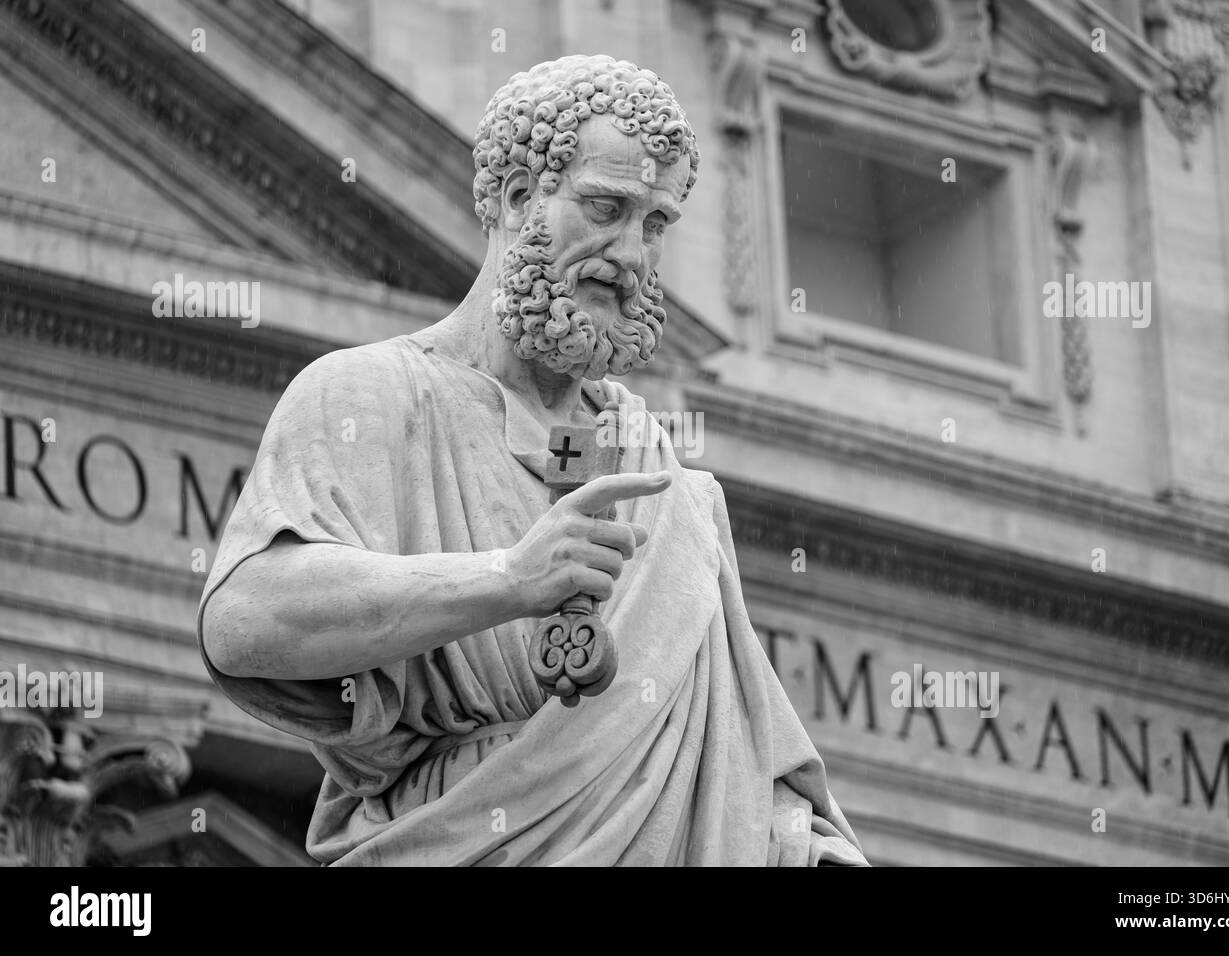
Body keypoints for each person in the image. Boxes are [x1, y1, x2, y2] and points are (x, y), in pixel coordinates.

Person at [198, 54, 867, 866]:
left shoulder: (674, 490)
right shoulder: (368, 394)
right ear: (519, 198)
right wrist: (507, 580)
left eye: (655, 224)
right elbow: (242, 622)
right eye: (607, 207)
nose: (630, 255)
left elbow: (744, 765)